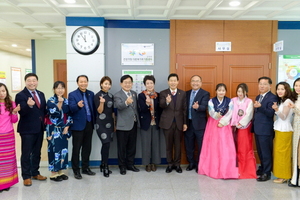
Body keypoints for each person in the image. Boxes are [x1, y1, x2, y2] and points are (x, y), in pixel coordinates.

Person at [198, 83, 238, 179]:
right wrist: (216, 116)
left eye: (223, 90)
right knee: (213, 146)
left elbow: (230, 112)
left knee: (225, 146)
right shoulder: (211, 101)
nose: (221, 92)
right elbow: (211, 111)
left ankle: (226, 170)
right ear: (216, 91)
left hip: (225, 124)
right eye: (219, 90)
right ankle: (212, 169)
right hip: (213, 124)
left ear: (225, 91)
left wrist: (223, 122)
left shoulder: (230, 101)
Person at [15, 73, 47, 186]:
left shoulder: (41, 94)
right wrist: (28, 106)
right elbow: (21, 112)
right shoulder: (20, 95)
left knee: (37, 152)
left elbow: (43, 111)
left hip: (39, 128)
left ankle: (35, 172)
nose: (32, 83)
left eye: (34, 80)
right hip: (27, 129)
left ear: (37, 82)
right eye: (29, 80)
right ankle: (26, 176)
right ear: (25, 82)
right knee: (26, 153)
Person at [68, 75, 96, 179]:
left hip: (89, 123)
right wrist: (77, 106)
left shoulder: (91, 94)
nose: (83, 83)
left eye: (85, 81)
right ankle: (76, 170)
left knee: (87, 148)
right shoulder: (72, 95)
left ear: (87, 82)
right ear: (77, 83)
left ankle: (85, 168)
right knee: (76, 149)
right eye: (81, 82)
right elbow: (70, 108)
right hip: (78, 125)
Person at [159, 73, 187, 173]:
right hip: (167, 123)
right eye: (171, 80)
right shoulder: (163, 93)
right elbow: (161, 106)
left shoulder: (182, 93)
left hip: (179, 122)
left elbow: (184, 109)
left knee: (178, 145)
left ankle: (177, 164)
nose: (173, 82)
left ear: (178, 81)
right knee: (168, 145)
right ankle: (170, 164)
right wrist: (166, 102)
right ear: (168, 82)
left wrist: (185, 123)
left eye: (175, 80)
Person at [46, 81, 73, 182]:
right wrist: (60, 102)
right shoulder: (51, 101)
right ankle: (53, 172)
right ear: (54, 89)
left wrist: (67, 126)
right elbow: (54, 113)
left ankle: (61, 170)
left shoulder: (67, 101)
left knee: (63, 150)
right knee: (53, 150)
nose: (60, 90)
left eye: (62, 88)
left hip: (64, 130)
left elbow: (70, 114)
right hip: (54, 129)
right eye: (58, 88)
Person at [114, 75, 140, 175]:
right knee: (122, 147)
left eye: (129, 82)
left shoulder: (134, 94)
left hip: (133, 124)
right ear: (121, 84)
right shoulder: (117, 95)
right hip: (122, 126)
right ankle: (122, 166)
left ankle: (130, 164)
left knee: (132, 146)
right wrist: (126, 102)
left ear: (132, 84)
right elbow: (119, 106)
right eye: (125, 82)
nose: (128, 84)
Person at [253, 76, 277, 182]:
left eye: (264, 84)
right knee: (260, 151)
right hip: (258, 128)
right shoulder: (258, 97)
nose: (262, 86)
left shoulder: (272, 97)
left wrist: (260, 107)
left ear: (270, 86)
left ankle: (267, 173)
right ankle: (262, 168)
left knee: (266, 152)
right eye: (260, 84)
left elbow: (270, 113)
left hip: (266, 129)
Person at [230, 83, 256, 179]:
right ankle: (234, 169)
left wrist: (240, 124)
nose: (240, 93)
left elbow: (249, 115)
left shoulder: (249, 102)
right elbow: (230, 112)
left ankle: (244, 170)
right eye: (238, 91)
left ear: (246, 92)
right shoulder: (233, 100)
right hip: (233, 127)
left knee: (243, 148)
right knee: (233, 148)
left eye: (242, 91)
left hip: (244, 127)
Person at [185, 75, 209, 173]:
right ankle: (191, 163)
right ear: (190, 83)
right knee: (189, 144)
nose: (195, 83)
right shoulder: (186, 93)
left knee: (201, 145)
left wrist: (198, 107)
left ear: (201, 82)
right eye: (193, 81)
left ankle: (200, 164)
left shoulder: (205, 93)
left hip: (200, 124)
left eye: (197, 81)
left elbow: (204, 106)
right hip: (188, 123)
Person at [272, 82, 295, 184]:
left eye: (282, 89)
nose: (279, 91)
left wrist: (276, 110)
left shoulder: (288, 101)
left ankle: (284, 176)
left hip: (284, 129)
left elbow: (284, 117)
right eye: (278, 89)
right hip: (280, 129)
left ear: (287, 90)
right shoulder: (283, 101)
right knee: (279, 153)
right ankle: (282, 175)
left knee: (283, 154)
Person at [138, 75, 161, 172]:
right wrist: (147, 104)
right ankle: (147, 164)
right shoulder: (141, 95)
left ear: (154, 84)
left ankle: (154, 163)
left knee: (155, 144)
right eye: (147, 83)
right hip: (146, 123)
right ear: (145, 84)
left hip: (155, 123)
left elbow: (160, 109)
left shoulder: (158, 95)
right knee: (146, 144)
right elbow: (141, 110)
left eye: (151, 83)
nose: (150, 85)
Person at [0, 83, 20, 192]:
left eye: (3, 91)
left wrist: (15, 112)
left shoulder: (11, 103)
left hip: (8, 136)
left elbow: (14, 120)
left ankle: (7, 182)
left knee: (8, 160)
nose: (1, 93)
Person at [94, 76, 115, 177]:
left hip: (110, 123)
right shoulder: (97, 95)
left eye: (109, 84)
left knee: (107, 145)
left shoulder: (111, 95)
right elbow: (99, 111)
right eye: (105, 83)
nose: (107, 85)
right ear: (101, 84)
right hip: (101, 124)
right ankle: (105, 166)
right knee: (106, 143)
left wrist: (114, 124)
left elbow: (112, 112)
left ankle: (103, 164)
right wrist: (102, 102)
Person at [288, 78, 300, 187]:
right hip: (296, 128)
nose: (297, 88)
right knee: (295, 154)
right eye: (296, 85)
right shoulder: (296, 98)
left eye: (299, 85)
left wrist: (294, 107)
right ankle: (295, 179)